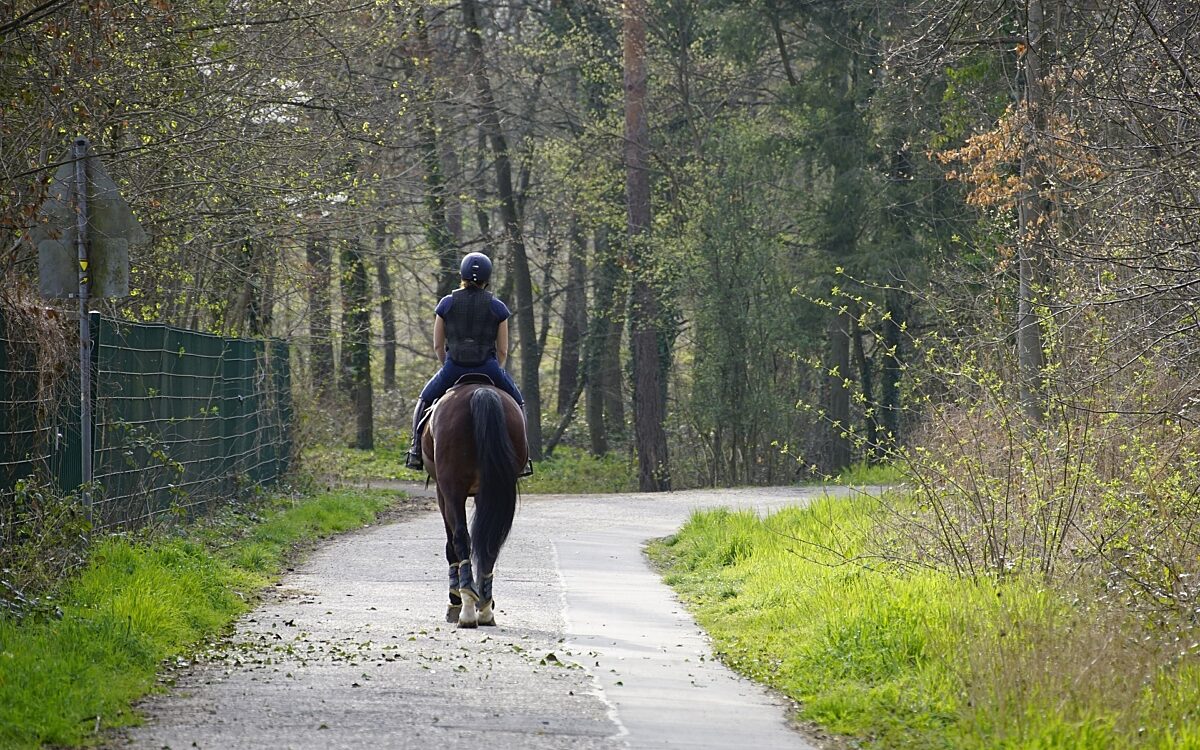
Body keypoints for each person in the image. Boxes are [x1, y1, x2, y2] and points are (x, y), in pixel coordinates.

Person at [406, 252, 528, 473]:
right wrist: (495, 369)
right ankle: (524, 457)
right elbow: (502, 349)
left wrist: (447, 365)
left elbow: (437, 345)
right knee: (518, 403)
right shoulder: (497, 307)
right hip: (488, 368)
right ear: (487, 277)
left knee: (424, 400)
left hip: (454, 367)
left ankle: (415, 450)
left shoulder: (446, 304)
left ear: (461, 274)